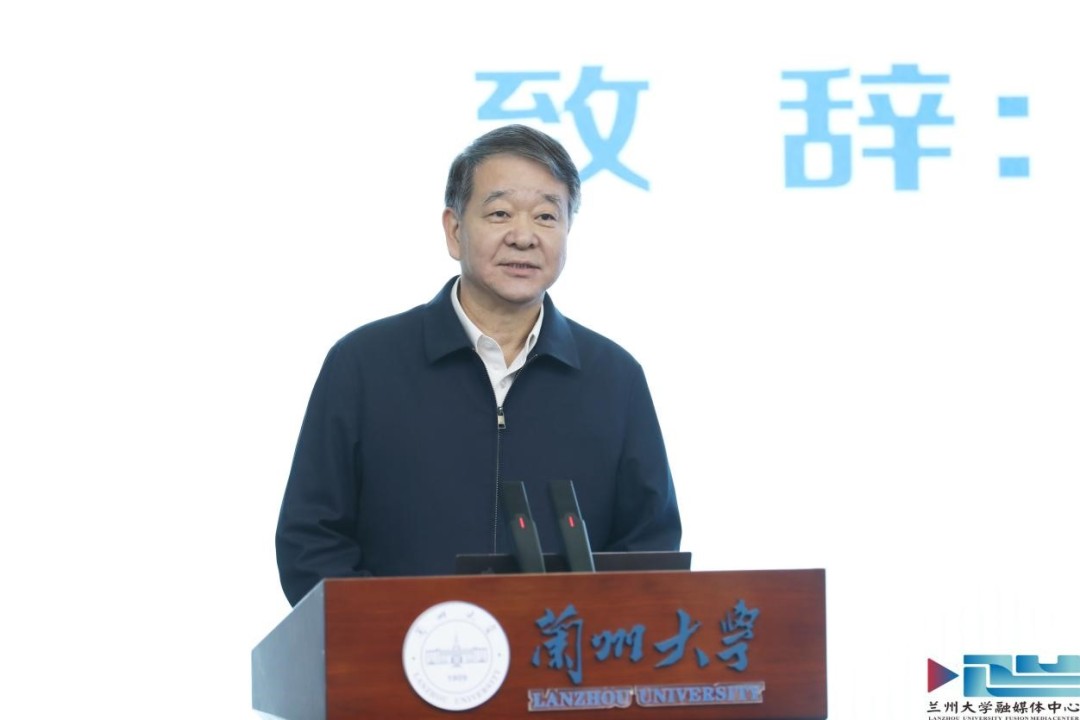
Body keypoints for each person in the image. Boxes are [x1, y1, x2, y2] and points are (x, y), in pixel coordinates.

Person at [275, 124, 680, 606]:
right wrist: (389, 632)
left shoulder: (615, 378)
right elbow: (311, 541)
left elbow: (649, 546)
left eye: (547, 216)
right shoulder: (363, 364)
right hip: (399, 649)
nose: (524, 237)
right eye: (500, 213)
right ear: (454, 230)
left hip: (562, 649)